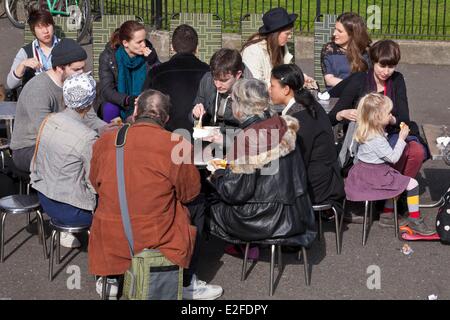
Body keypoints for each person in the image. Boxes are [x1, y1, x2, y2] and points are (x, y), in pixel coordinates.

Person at [88, 89, 223, 300]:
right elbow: (188, 193)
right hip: (155, 234)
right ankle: (187, 280)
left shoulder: (106, 140)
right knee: (197, 203)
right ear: (167, 118)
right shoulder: (176, 144)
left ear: (136, 110)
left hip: (109, 232)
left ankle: (112, 278)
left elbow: (95, 182)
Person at [208, 79, 316, 255]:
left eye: (233, 101)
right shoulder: (283, 125)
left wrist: (218, 174)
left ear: (240, 106)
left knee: (206, 202)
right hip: (297, 213)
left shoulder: (247, 138)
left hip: (262, 219)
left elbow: (234, 193)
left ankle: (245, 247)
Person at [329, 40, 428, 224]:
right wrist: (343, 113)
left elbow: (404, 117)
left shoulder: (397, 80)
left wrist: (390, 119)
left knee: (416, 151)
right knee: (396, 153)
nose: (386, 71)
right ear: (373, 62)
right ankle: (385, 196)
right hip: (366, 136)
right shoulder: (359, 80)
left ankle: (392, 200)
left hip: (390, 131)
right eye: (382, 65)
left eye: (391, 66)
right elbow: (333, 115)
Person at [10, 38, 108, 173]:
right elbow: (47, 132)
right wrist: (88, 136)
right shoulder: (38, 89)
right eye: (76, 69)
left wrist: (106, 129)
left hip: (64, 138)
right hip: (30, 147)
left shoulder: (76, 84)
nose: (81, 73)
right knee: (74, 159)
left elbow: (89, 117)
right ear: (59, 68)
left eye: (83, 68)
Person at [345, 93, 434, 235]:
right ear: (377, 118)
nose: (391, 114)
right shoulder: (376, 138)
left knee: (397, 181)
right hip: (376, 176)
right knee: (411, 184)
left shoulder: (366, 130)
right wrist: (401, 138)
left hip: (363, 173)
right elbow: (393, 158)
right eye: (388, 113)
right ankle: (415, 220)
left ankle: (387, 213)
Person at [30, 72, 98, 248]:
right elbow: (94, 182)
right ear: (90, 103)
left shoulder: (49, 120)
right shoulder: (88, 137)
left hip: (45, 199)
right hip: (72, 210)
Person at [270, 64, 345, 214]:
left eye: (272, 86)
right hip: (322, 179)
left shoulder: (299, 118)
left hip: (317, 187)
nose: (269, 89)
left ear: (286, 89)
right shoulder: (309, 105)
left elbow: (295, 162)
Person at [142, 24, 209, 136]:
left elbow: (145, 104)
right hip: (201, 138)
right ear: (197, 48)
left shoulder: (156, 73)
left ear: (172, 48)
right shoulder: (209, 73)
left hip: (165, 137)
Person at [99, 20, 159, 123]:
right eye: (139, 42)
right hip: (120, 101)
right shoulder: (109, 56)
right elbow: (106, 90)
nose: (143, 45)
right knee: (109, 108)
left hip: (143, 101)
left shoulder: (149, 54)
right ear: (125, 43)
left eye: (144, 40)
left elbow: (161, 81)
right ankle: (112, 137)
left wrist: (154, 62)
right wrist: (127, 100)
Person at [241, 7, 315, 88]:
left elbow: (287, 71)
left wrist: (300, 78)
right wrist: (288, 83)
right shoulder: (252, 52)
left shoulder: (280, 46)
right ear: (275, 34)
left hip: (278, 95)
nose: (290, 37)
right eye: (287, 34)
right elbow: (255, 86)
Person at [191, 48, 253, 129]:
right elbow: (194, 114)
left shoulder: (251, 90)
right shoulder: (207, 80)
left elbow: (253, 125)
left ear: (238, 75)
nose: (217, 85)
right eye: (215, 79)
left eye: (224, 80)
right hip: (210, 135)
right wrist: (195, 115)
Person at [7, 9, 60, 91]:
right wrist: (22, 65)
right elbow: (10, 84)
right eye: (40, 27)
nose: (46, 31)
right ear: (33, 31)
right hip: (35, 96)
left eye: (48, 25)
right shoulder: (25, 52)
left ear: (53, 26)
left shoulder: (65, 46)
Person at [320, 12, 371, 96]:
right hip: (337, 95)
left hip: (360, 95)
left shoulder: (365, 51)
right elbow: (329, 80)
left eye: (339, 31)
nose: (334, 34)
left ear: (352, 34)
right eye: (335, 29)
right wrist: (353, 86)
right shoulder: (329, 49)